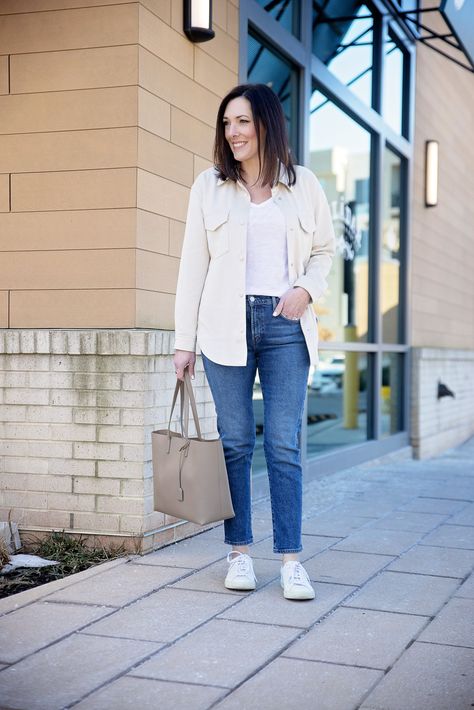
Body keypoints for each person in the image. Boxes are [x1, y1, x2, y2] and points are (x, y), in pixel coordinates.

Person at [173, 83, 335, 601]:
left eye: (242, 121)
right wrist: (184, 342)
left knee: (283, 444)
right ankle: (238, 552)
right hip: (224, 324)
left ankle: (290, 560)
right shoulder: (209, 186)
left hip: (286, 324)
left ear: (266, 123)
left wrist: (306, 290)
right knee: (236, 443)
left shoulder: (303, 184)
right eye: (227, 123)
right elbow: (192, 267)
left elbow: (326, 252)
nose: (233, 132)